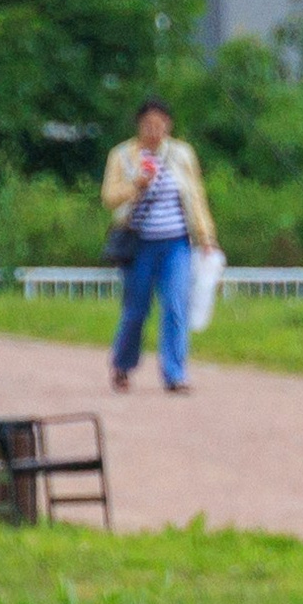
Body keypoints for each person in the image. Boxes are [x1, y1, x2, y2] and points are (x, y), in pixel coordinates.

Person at [100, 98, 217, 395]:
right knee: (136, 310)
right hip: (138, 243)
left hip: (176, 242)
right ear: (139, 126)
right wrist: (135, 185)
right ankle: (123, 365)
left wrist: (206, 236)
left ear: (168, 125)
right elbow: (109, 197)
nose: (154, 130)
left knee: (176, 305)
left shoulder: (181, 154)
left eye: (160, 123)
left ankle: (175, 374)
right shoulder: (123, 156)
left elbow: (195, 196)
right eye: (148, 124)